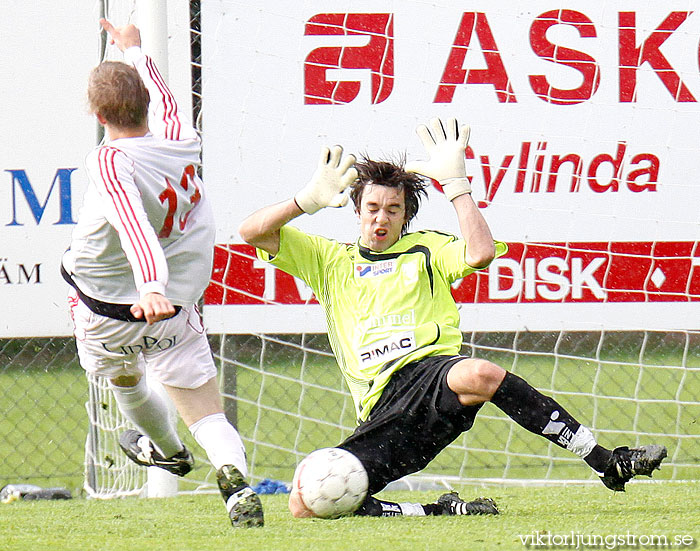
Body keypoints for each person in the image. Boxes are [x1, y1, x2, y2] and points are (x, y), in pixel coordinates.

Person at [238, 117, 668, 518]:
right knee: (305, 503)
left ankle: (607, 462)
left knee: (479, 373)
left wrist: (457, 185)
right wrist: (305, 200)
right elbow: (251, 232)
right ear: (357, 211)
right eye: (372, 207)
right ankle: (435, 511)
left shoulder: (426, 248)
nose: (381, 217)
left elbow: (480, 253)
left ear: (406, 216)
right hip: (382, 404)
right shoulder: (329, 260)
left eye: (393, 208)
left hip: (433, 374)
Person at [62, 19, 263, 528]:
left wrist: (148, 285)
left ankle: (170, 452)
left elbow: (131, 222)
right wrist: (135, 50)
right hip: (176, 307)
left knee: (126, 381)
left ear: (97, 114)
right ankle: (235, 485)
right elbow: (165, 96)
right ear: (146, 105)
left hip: (112, 307)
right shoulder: (180, 136)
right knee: (207, 411)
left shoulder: (109, 160)